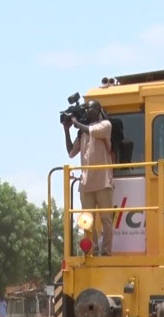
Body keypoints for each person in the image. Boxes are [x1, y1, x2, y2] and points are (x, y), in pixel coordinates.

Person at [64, 99, 114, 255]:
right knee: (87, 221)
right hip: (86, 183)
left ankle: (106, 252)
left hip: (103, 181)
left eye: (89, 109)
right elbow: (71, 152)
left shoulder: (105, 125)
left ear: (98, 110)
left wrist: (76, 122)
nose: (86, 112)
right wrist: (66, 130)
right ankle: (92, 251)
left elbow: (92, 131)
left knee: (106, 219)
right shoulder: (82, 132)